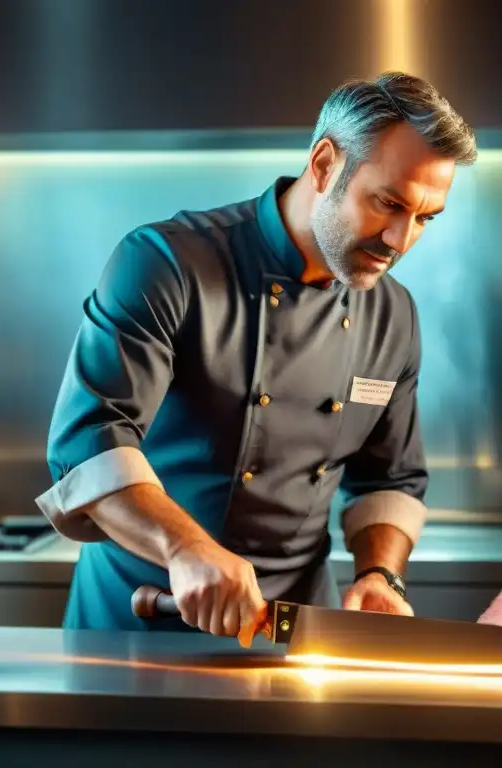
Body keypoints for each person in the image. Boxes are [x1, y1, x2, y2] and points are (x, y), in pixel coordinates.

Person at [35, 71, 477, 639]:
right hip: (144, 617)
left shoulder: (392, 313)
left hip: (293, 633)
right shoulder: (168, 263)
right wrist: (186, 546)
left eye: (424, 218)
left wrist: (380, 574)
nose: (401, 240)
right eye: (388, 203)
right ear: (324, 165)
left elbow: (388, 478)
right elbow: (89, 439)